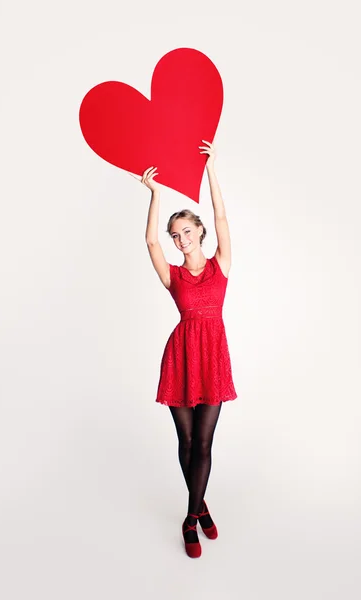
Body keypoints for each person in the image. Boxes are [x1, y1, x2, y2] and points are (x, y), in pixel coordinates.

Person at [141, 140, 237, 558]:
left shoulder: (221, 265)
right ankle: (199, 508)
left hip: (212, 355)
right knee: (185, 443)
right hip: (180, 357)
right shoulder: (173, 277)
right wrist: (156, 195)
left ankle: (190, 516)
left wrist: (212, 169)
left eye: (186, 231)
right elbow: (150, 244)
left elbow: (220, 214)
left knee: (204, 444)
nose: (180, 239)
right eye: (175, 235)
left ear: (200, 231)